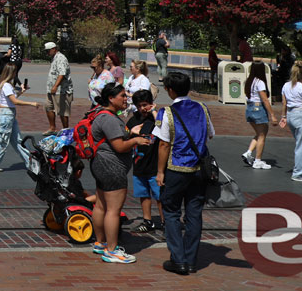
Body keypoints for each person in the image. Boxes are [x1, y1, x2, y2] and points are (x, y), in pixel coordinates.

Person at [154, 72, 215, 275]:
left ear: (171, 90)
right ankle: (190, 260)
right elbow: (210, 134)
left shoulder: (167, 112)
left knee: (171, 212)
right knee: (194, 213)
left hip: (176, 169)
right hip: (199, 170)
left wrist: (160, 172)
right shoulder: (202, 108)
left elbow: (163, 145)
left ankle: (178, 259)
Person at [89, 83, 150, 264]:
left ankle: (100, 243)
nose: (126, 99)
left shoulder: (100, 115)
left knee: (100, 205)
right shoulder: (110, 119)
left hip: (100, 165)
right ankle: (112, 250)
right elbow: (119, 146)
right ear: (111, 98)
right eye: (122, 96)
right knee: (113, 211)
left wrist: (130, 133)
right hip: (112, 167)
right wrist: (136, 140)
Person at [0, 63, 40, 171]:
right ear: (11, 73)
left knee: (17, 140)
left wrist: (22, 91)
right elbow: (14, 101)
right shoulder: (6, 85)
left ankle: (30, 162)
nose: (16, 74)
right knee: (1, 141)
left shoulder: (4, 84)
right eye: (15, 72)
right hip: (7, 115)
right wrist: (32, 104)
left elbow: (11, 99)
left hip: (8, 115)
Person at [127, 89, 163, 233]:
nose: (143, 108)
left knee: (160, 196)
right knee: (143, 194)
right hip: (139, 163)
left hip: (155, 165)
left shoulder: (156, 118)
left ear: (152, 104)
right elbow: (125, 136)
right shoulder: (134, 120)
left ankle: (165, 221)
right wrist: (130, 133)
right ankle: (147, 221)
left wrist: (154, 112)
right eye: (139, 105)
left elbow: (163, 128)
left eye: (145, 105)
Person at [241, 61, 277, 169]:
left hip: (250, 108)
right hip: (258, 108)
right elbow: (265, 100)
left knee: (260, 133)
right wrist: (272, 115)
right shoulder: (260, 82)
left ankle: (248, 152)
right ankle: (258, 160)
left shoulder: (249, 81)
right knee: (262, 135)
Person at [43, 42, 73, 134]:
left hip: (62, 90)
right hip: (52, 90)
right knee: (48, 106)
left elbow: (62, 73)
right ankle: (52, 127)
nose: (47, 53)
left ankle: (65, 130)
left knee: (62, 111)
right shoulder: (54, 58)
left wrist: (55, 86)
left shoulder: (61, 58)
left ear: (54, 49)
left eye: (48, 51)